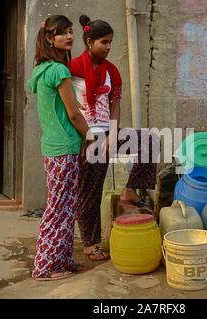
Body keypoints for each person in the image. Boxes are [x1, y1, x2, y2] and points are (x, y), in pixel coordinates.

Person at [69, 15, 159, 261]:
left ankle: (130, 191)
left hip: (107, 133)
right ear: (89, 41)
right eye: (103, 42)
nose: (108, 47)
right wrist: (91, 138)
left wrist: (113, 133)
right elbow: (70, 109)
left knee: (149, 140)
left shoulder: (111, 71)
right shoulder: (73, 69)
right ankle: (90, 243)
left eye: (110, 42)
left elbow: (115, 104)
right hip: (85, 136)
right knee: (91, 191)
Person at [27, 15, 94, 281]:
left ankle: (63, 260)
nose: (69, 36)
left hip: (53, 147)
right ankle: (44, 266)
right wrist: (91, 136)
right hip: (63, 147)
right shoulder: (59, 71)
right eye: (62, 33)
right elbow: (74, 113)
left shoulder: (41, 70)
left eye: (70, 32)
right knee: (58, 208)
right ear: (48, 38)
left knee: (65, 207)